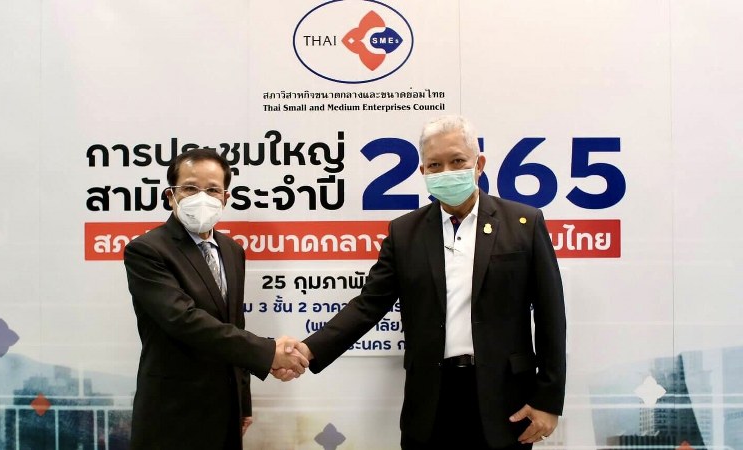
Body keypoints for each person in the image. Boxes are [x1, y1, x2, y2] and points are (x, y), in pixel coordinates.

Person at [292, 115, 566, 448]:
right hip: (430, 401)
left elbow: (551, 316)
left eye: (458, 161)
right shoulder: (404, 232)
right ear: (423, 171)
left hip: (505, 400)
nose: (447, 172)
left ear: (479, 164)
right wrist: (309, 350)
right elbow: (368, 306)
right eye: (435, 165)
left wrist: (548, 399)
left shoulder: (523, 223)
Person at [123, 147, 308, 450]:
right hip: (172, 414)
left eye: (212, 190)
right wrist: (268, 353)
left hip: (225, 412)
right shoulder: (147, 250)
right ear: (170, 195)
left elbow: (234, 325)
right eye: (190, 188)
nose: (202, 197)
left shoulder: (232, 251)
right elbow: (183, 320)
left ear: (225, 197)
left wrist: (243, 401)